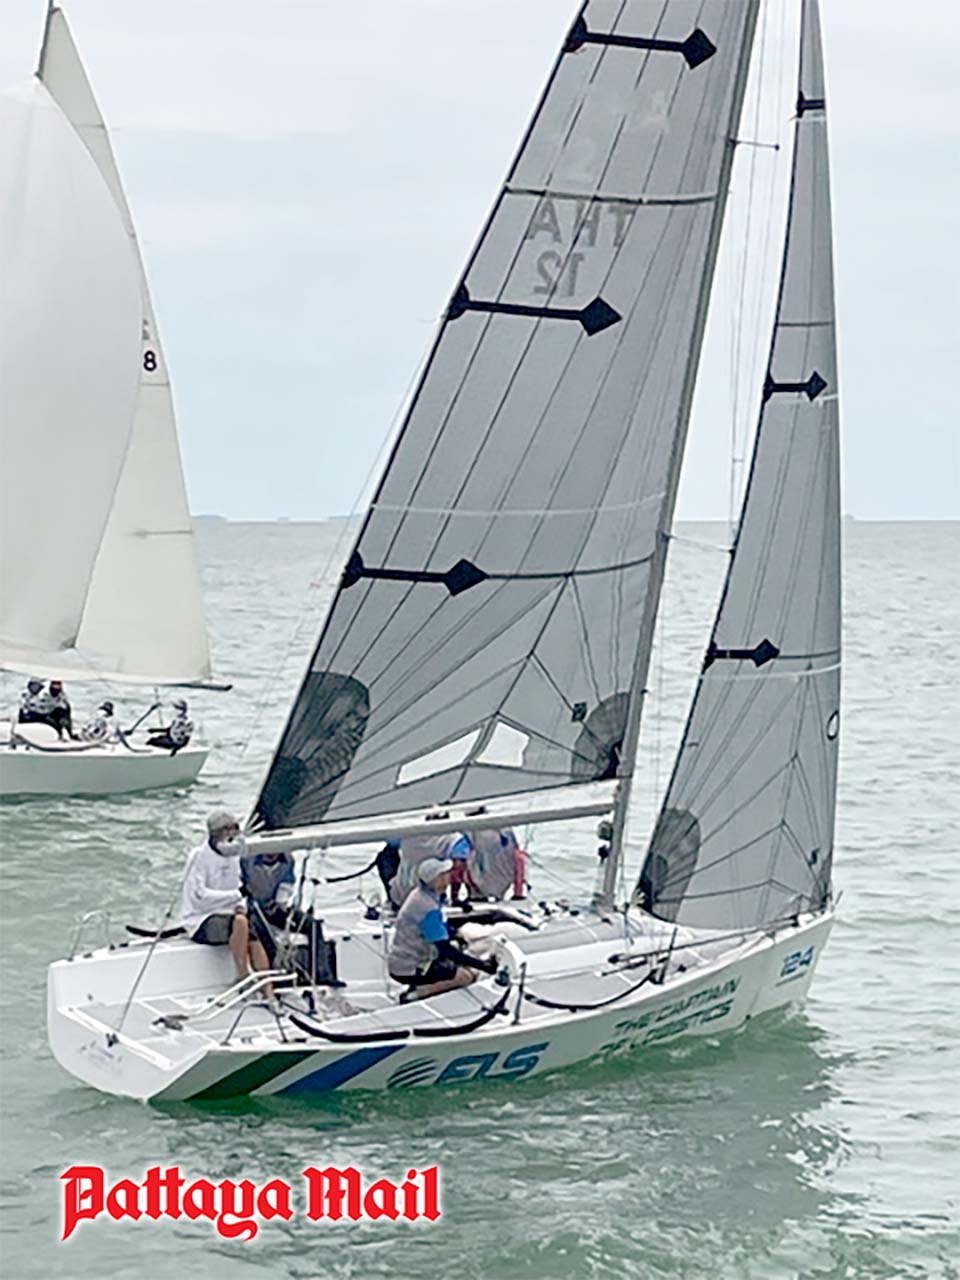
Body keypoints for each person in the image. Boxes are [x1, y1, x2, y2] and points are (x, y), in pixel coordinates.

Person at [181, 810, 272, 991]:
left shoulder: (233, 854)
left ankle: (268, 989)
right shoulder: (199, 856)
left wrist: (240, 904)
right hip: (200, 920)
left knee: (254, 928)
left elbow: (239, 888)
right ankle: (243, 976)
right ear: (218, 832)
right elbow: (199, 897)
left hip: (229, 915)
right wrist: (235, 896)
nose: (236, 833)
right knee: (241, 923)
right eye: (232, 829)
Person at [387, 857, 497, 1001]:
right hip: (410, 968)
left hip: (402, 960)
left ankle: (421, 988)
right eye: (446, 873)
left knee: (457, 954)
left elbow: (440, 927)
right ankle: (416, 994)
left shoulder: (421, 894)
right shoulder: (428, 909)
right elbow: (445, 949)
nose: (450, 875)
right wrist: (483, 965)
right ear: (437, 879)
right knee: (465, 976)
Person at [458, 828, 527, 901]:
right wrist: (518, 892)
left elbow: (460, 859)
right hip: (503, 884)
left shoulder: (470, 830)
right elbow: (519, 860)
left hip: (477, 885)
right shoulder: (509, 831)